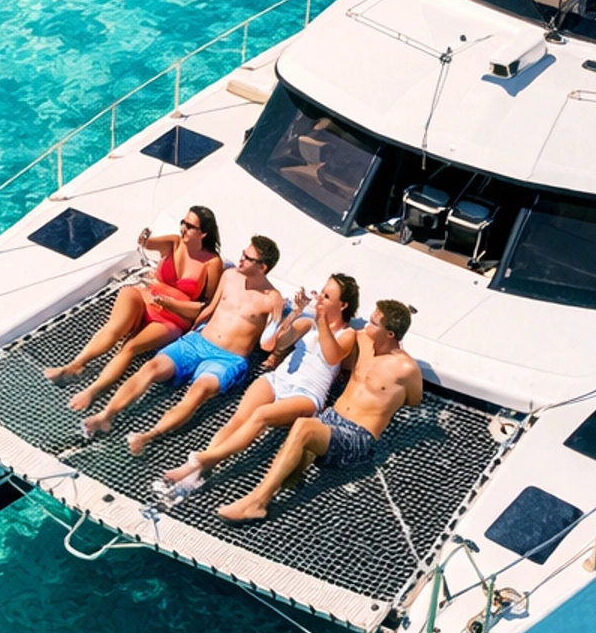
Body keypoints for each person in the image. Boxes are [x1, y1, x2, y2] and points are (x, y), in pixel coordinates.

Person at [154, 273, 360, 500]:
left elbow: (332, 357)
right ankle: (197, 471)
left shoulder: (347, 334)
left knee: (261, 415)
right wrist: (296, 312)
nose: (319, 298)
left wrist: (322, 321)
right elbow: (279, 343)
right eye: (321, 292)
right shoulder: (308, 323)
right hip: (278, 379)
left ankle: (200, 462)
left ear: (343, 305)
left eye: (327, 296)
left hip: (307, 394)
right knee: (238, 419)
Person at [217, 300, 421, 520]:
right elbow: (330, 350)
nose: (365, 326)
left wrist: (383, 403)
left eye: (372, 323)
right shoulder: (362, 340)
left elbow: (414, 399)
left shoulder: (406, 369)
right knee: (290, 474)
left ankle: (257, 502)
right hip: (331, 419)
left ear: (390, 334)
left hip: (357, 437)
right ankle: (269, 488)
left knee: (304, 427)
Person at [79, 237, 285, 452]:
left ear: (262, 267)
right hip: (197, 342)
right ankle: (105, 416)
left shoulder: (272, 299)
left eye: (247, 258)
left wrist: (286, 321)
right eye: (242, 254)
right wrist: (189, 328)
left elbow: (270, 343)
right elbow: (209, 310)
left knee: (198, 391)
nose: (240, 260)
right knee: (150, 368)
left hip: (226, 358)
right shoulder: (229, 276)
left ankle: (148, 435)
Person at [45, 208, 223, 404]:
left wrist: (173, 305)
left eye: (190, 227)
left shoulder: (212, 263)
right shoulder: (174, 242)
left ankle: (94, 391)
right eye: (183, 222)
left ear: (203, 233)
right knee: (114, 328)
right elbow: (145, 243)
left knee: (130, 347)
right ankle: (75, 366)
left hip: (175, 315)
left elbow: (205, 306)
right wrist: (144, 237)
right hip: (147, 297)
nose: (183, 228)